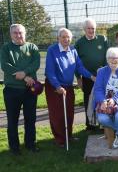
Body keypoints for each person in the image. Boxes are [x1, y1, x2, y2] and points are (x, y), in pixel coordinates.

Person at [45, 28, 96, 147]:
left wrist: (91, 76)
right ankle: (60, 139)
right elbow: (49, 71)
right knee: (57, 114)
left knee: (69, 112)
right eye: (63, 37)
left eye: (68, 37)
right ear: (58, 38)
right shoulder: (52, 50)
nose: (66, 39)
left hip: (68, 86)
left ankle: (69, 136)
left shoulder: (73, 50)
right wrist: (57, 86)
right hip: (54, 86)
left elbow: (79, 67)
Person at [1, 24, 40, 155]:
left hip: (30, 90)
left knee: (31, 119)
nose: (18, 35)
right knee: (12, 120)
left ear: (25, 33)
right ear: (11, 34)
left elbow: (36, 63)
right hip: (12, 90)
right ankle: (14, 148)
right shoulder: (6, 48)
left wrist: (25, 73)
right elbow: (5, 65)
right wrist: (24, 77)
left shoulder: (32, 47)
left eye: (20, 33)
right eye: (15, 33)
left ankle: (30, 144)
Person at [74, 18, 108, 131]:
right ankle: (90, 124)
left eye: (93, 28)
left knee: (103, 99)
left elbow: (108, 56)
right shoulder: (79, 43)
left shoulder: (102, 39)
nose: (91, 30)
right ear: (84, 29)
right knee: (89, 99)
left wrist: (104, 72)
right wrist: (79, 78)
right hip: (88, 77)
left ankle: (103, 123)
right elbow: (76, 62)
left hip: (102, 76)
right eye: (88, 28)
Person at [94, 47, 118, 149]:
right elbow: (98, 89)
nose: (114, 60)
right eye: (111, 57)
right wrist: (103, 101)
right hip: (104, 101)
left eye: (116, 57)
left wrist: (114, 100)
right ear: (107, 59)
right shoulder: (101, 71)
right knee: (102, 119)